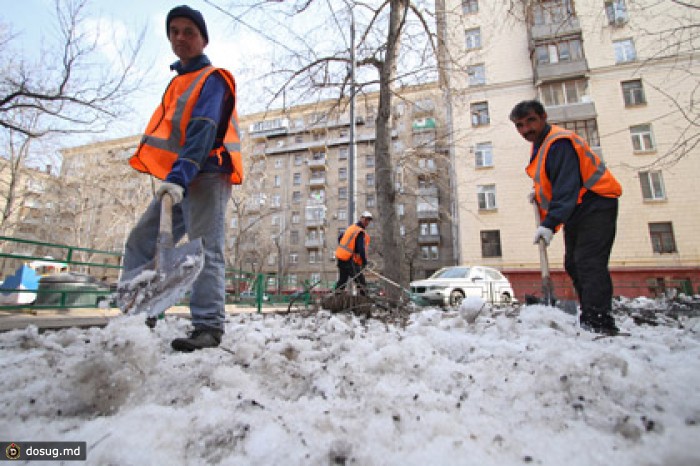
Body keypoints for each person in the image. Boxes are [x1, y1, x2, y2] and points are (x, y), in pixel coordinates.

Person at [122, 5, 243, 352]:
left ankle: (208, 326)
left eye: (189, 31)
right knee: (142, 240)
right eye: (174, 31)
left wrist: (180, 175)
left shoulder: (213, 79)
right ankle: (134, 314)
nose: (180, 37)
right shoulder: (180, 82)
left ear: (203, 39)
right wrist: (176, 178)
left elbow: (203, 130)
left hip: (204, 174)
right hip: (180, 178)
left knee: (205, 250)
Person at [509, 100, 622, 336]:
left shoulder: (558, 143)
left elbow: (566, 185)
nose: (526, 129)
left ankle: (600, 321)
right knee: (574, 263)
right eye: (520, 125)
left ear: (543, 117)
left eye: (530, 121)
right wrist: (539, 196)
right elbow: (554, 182)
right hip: (578, 208)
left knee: (589, 262)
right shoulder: (541, 145)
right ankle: (590, 315)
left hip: (596, 202)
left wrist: (549, 223)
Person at [335, 211, 373, 296]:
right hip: (348, 259)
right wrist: (364, 262)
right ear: (361, 218)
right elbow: (361, 248)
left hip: (341, 257)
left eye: (368, 220)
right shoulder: (359, 231)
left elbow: (340, 238)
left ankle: (335, 299)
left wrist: (347, 249)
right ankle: (365, 301)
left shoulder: (351, 228)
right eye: (366, 219)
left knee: (342, 280)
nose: (367, 222)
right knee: (360, 281)